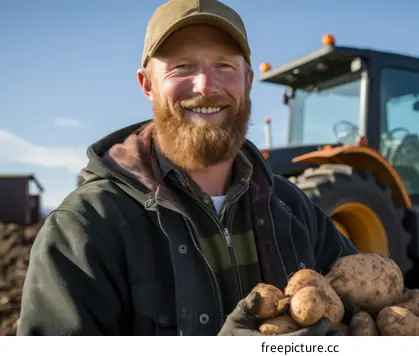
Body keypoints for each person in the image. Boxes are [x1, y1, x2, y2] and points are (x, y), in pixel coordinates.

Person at [17, 0, 358, 336]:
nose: (206, 87)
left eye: (224, 66)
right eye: (181, 67)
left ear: (248, 82)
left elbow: (366, 307)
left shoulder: (294, 209)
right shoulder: (85, 228)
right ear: (147, 85)